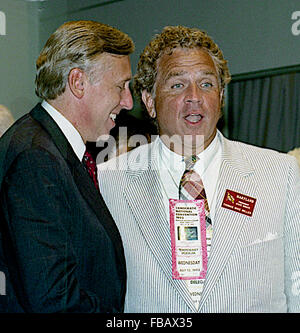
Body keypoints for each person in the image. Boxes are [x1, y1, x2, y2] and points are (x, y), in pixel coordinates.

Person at [98, 25, 300, 313]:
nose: (195, 96)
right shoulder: (109, 181)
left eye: (207, 84)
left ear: (221, 96)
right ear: (149, 101)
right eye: (178, 85)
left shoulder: (280, 173)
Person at [0, 20, 134, 313]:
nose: (128, 101)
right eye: (120, 86)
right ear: (78, 82)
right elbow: (54, 302)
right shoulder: (36, 159)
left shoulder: (49, 149)